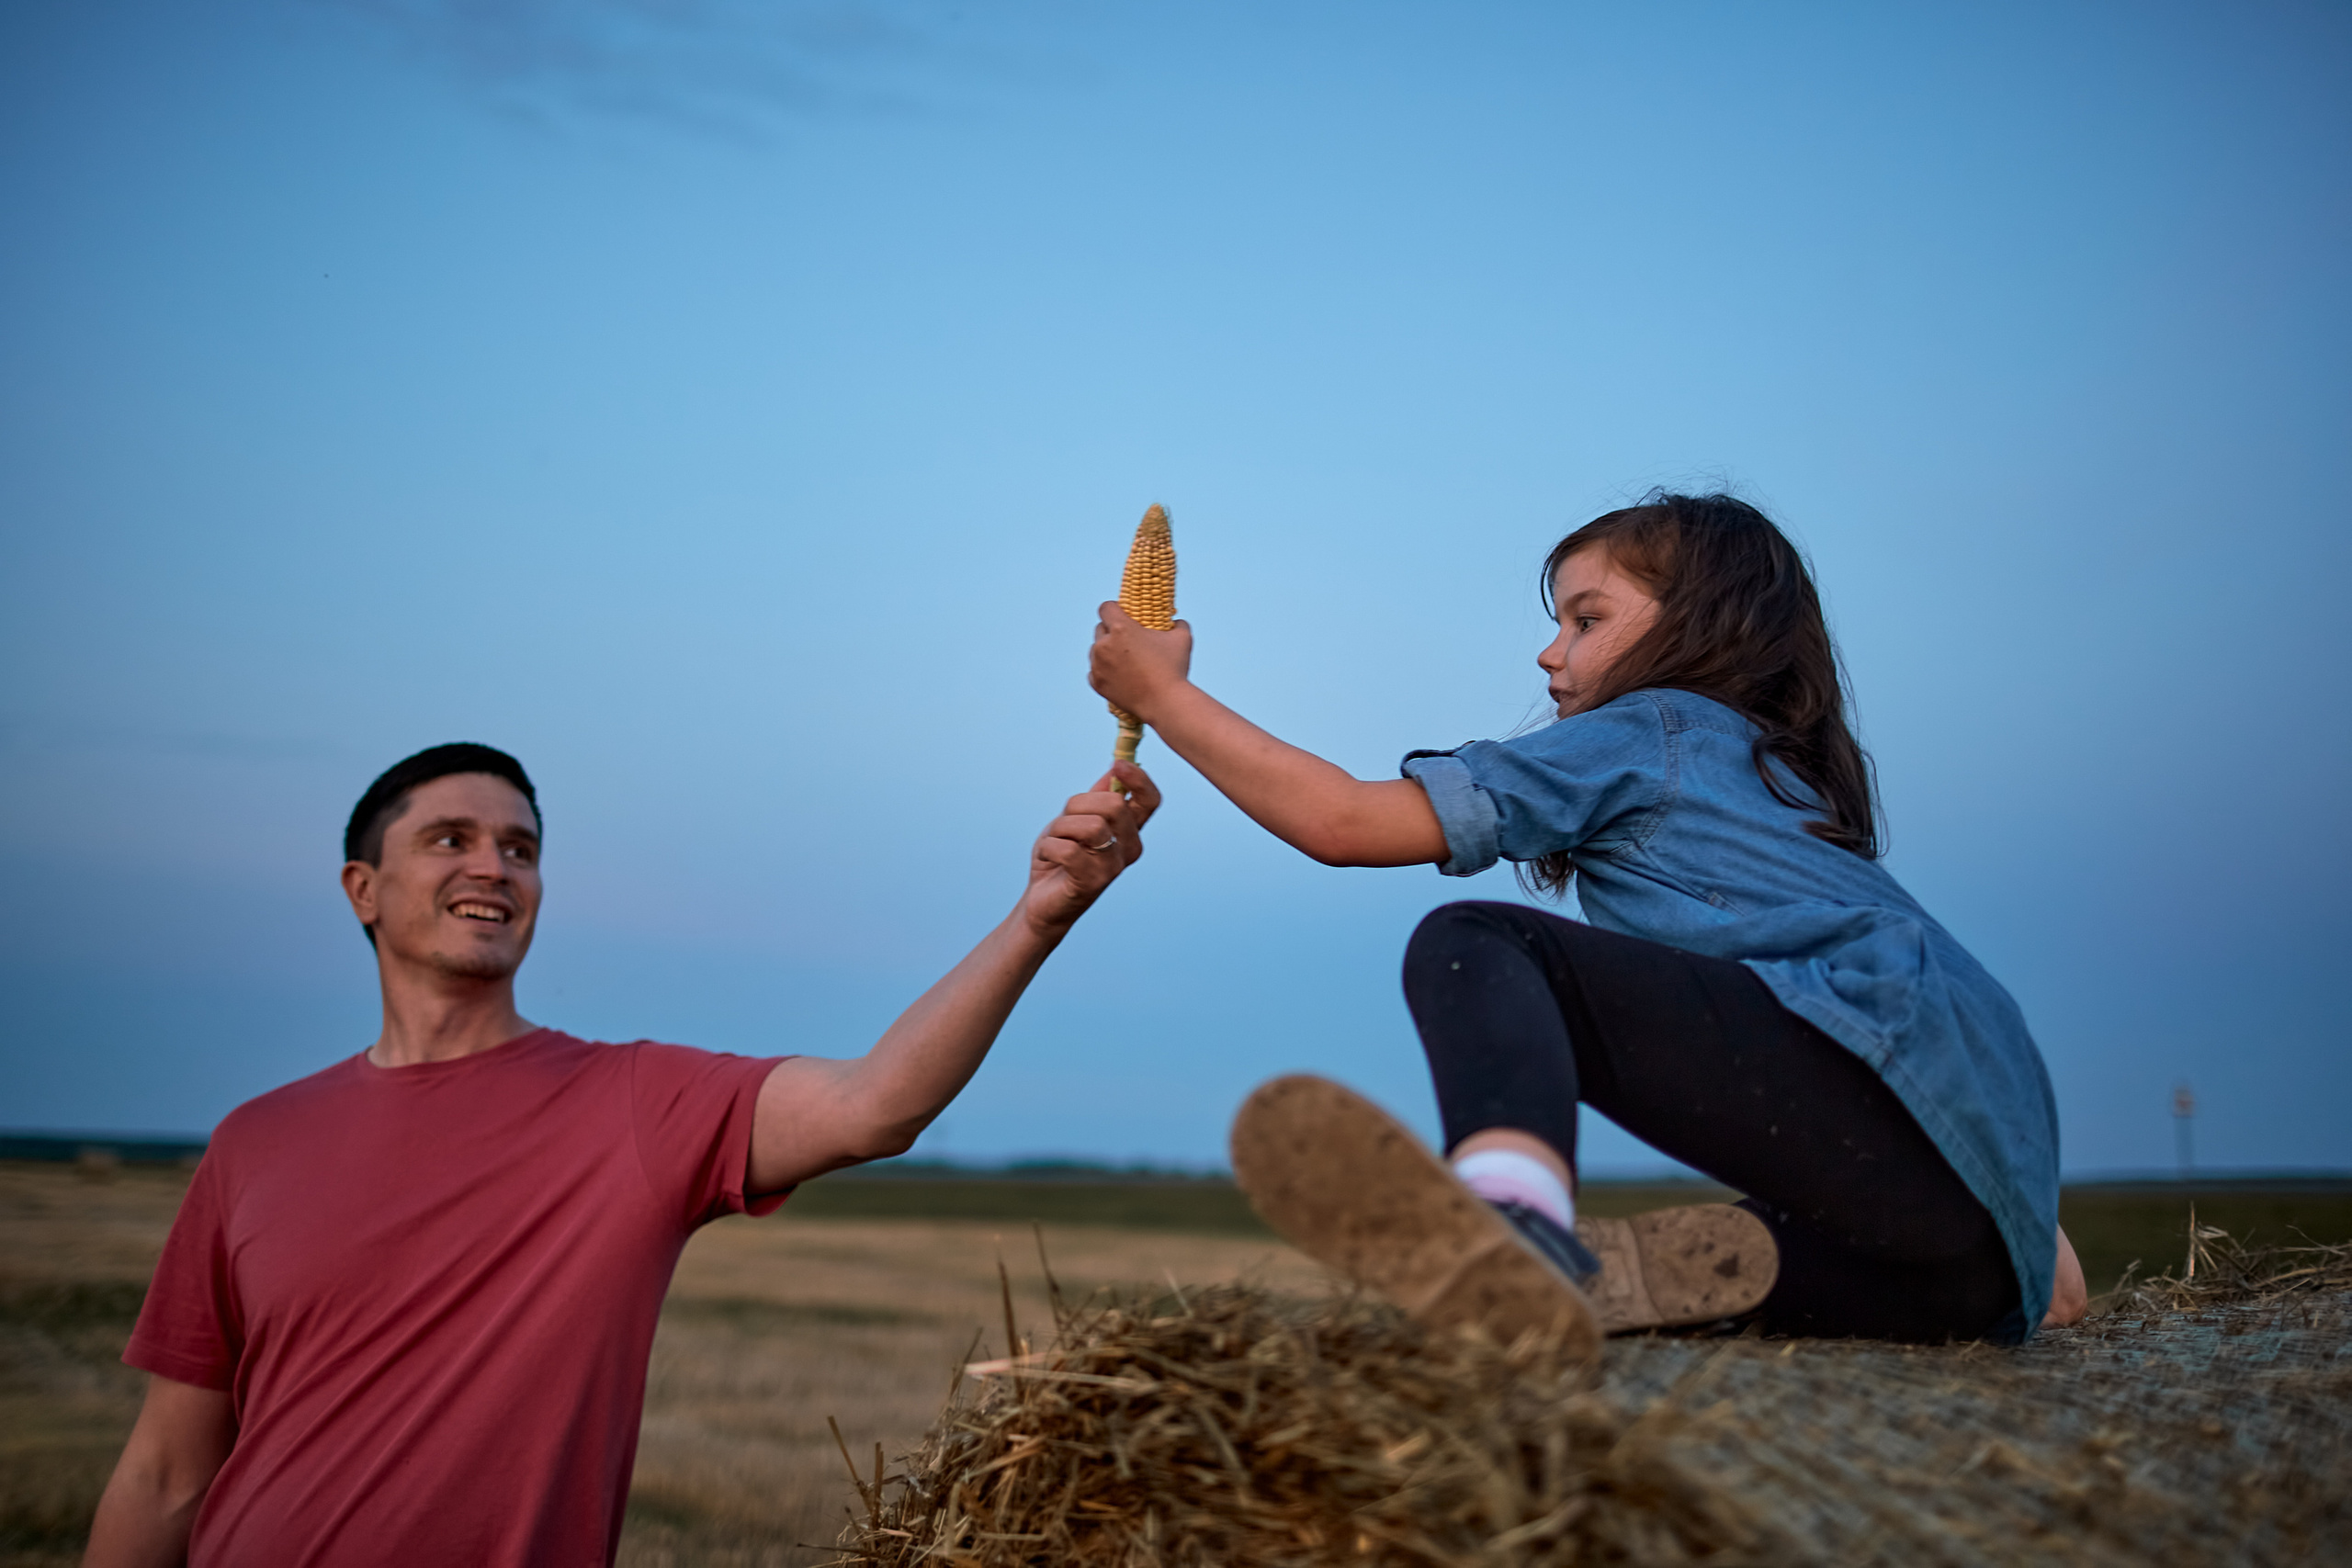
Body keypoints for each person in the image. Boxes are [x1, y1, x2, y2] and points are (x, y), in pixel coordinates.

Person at [86, 741, 1158, 1567]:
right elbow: (169, 1471)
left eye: (520, 849)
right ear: (362, 890)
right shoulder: (257, 1141)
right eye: (450, 839)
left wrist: (1038, 918)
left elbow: (874, 1103)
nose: (493, 868)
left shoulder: (634, 1104)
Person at [1091, 491, 2088, 1357]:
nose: (1547, 650)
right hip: (1961, 1258)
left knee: (1477, 943)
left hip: (1870, 1109)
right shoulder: (1791, 796)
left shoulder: (1655, 727)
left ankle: (1513, 1222)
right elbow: (1951, 1061)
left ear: (1700, 622)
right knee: (1725, 1262)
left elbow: (1341, 823)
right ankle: (1572, 1283)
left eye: (1583, 618)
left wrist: (1165, 698)